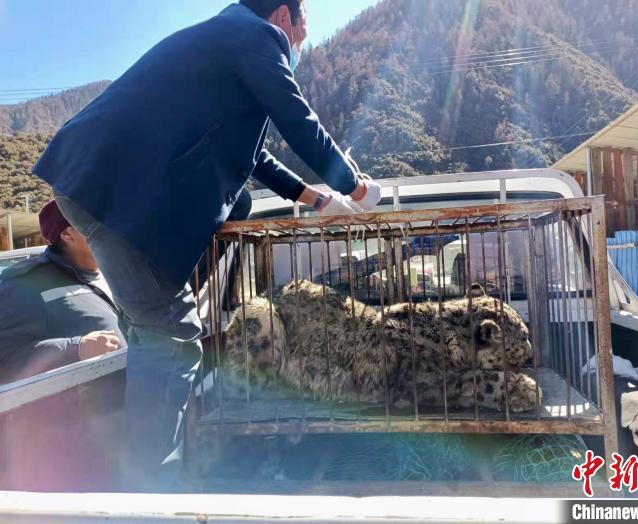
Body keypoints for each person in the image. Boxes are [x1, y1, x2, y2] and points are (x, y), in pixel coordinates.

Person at [32, 0, 381, 491]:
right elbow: (297, 120)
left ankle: (141, 475)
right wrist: (357, 187)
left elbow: (253, 157)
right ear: (284, 17)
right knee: (172, 338)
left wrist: (317, 199)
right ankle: (152, 499)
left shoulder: (224, 46)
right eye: (303, 31)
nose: (300, 44)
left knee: (225, 224)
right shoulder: (256, 36)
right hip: (112, 192)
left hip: (89, 183)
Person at [0, 200, 125, 384]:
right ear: (67, 234)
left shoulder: (116, 272)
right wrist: (75, 349)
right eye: (97, 221)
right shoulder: (25, 284)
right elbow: (6, 359)